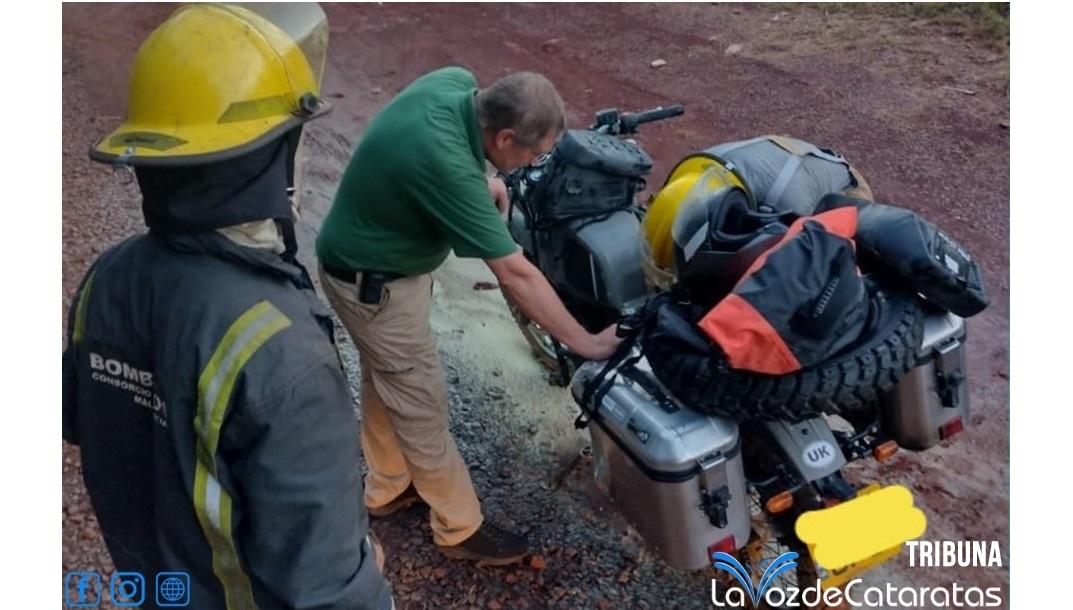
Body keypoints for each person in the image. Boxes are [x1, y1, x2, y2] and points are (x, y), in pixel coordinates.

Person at [62, 5, 392, 609]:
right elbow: (327, 591)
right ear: (271, 154)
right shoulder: (281, 348)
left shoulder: (107, 277)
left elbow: (83, 421)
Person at [315, 66, 622, 565]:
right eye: (533, 154)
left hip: (374, 265)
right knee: (421, 405)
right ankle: (458, 528)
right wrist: (586, 343)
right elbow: (515, 274)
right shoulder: (448, 168)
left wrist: (489, 177)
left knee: (389, 377)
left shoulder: (454, 84)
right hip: (373, 284)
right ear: (503, 136)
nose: (533, 163)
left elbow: (460, 160)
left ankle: (388, 485)